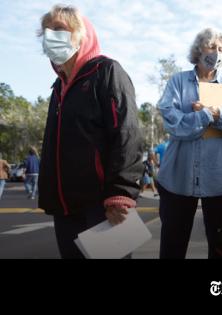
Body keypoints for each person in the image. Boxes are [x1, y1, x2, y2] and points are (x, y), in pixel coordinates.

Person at [37, 5, 143, 258]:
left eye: (60, 29)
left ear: (81, 35)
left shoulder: (106, 71)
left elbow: (127, 134)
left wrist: (120, 194)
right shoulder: (57, 87)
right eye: (47, 31)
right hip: (65, 206)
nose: (51, 35)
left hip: (103, 205)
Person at [157, 28, 222, 259]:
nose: (216, 53)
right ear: (199, 49)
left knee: (221, 249)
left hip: (219, 180)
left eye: (221, 49)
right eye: (212, 47)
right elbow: (173, 123)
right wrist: (204, 117)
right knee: (172, 246)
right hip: (177, 180)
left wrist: (219, 114)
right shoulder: (178, 82)